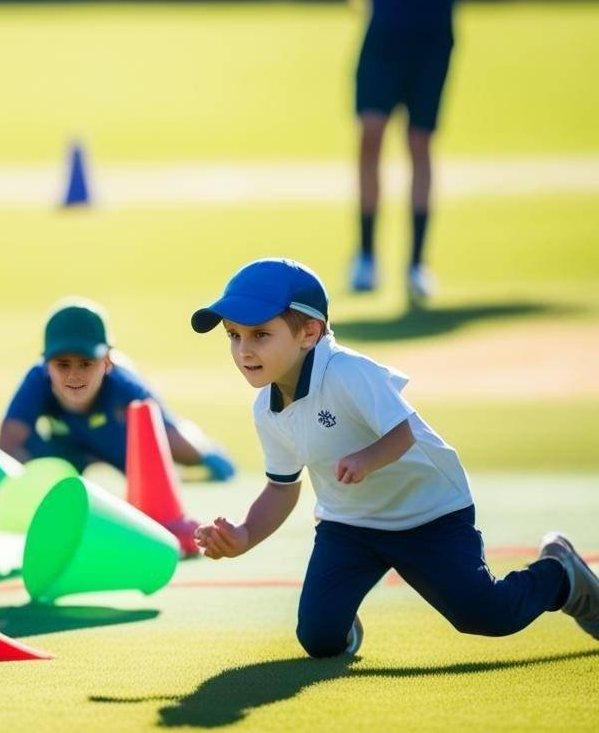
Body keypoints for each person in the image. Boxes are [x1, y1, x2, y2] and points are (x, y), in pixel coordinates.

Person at [189, 258, 596, 657]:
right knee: (319, 638)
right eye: (233, 335)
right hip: (349, 525)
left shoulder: (348, 372)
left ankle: (560, 574)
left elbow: (402, 434)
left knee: (486, 615)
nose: (243, 350)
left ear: (310, 332)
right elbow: (282, 488)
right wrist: (243, 535)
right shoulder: (267, 407)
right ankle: (337, 618)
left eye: (260, 334)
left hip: (429, 515)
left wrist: (367, 460)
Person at [345, 0, 542, 301]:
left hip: (432, 33)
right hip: (385, 30)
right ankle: (365, 257)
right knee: (370, 134)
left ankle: (417, 264)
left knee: (420, 142)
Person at [0, 299, 235, 482]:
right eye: (62, 365)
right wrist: (36, 481)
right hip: (68, 447)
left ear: (107, 362)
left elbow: (167, 432)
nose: (73, 375)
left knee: (183, 450)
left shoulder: (125, 387)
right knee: (28, 455)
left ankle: (209, 450)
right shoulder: (35, 380)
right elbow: (5, 445)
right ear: (46, 364)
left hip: (117, 443)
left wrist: (201, 455)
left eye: (86, 363)